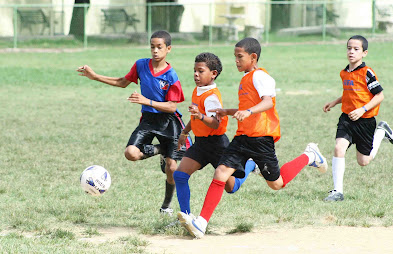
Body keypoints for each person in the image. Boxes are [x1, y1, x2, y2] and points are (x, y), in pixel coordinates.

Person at [178, 37, 328, 239]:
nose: (236, 61)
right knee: (221, 173)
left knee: (277, 184)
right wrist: (229, 111)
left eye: (239, 57)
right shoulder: (246, 78)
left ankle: (309, 156)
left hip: (261, 139)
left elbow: (267, 103)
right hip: (242, 137)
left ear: (253, 57)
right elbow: (246, 107)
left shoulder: (260, 77)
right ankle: (201, 223)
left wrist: (248, 112)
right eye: (235, 57)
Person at [77, 30, 187, 215]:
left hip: (169, 123)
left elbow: (172, 107)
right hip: (149, 120)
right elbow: (122, 82)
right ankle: (161, 149)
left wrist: (146, 101)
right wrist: (95, 76)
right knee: (131, 153)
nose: (155, 51)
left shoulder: (171, 76)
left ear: (168, 49)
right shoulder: (141, 65)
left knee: (172, 168)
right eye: (152, 46)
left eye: (159, 47)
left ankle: (166, 207)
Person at [173, 52, 257, 218]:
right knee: (180, 175)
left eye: (201, 71)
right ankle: (186, 216)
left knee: (231, 187)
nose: (196, 74)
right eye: (194, 70)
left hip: (217, 144)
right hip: (201, 144)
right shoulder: (198, 90)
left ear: (213, 74)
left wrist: (199, 116)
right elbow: (196, 118)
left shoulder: (211, 96)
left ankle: (250, 165)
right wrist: (185, 132)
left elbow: (215, 123)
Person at [322, 35, 393, 202]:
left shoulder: (367, 72)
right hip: (347, 119)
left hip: (365, 121)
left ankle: (381, 132)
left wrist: (362, 109)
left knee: (364, 161)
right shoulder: (344, 72)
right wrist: (335, 102)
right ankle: (337, 192)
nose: (351, 52)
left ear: (364, 53)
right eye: (349, 48)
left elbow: (379, 95)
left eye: (356, 49)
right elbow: (350, 94)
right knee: (338, 148)